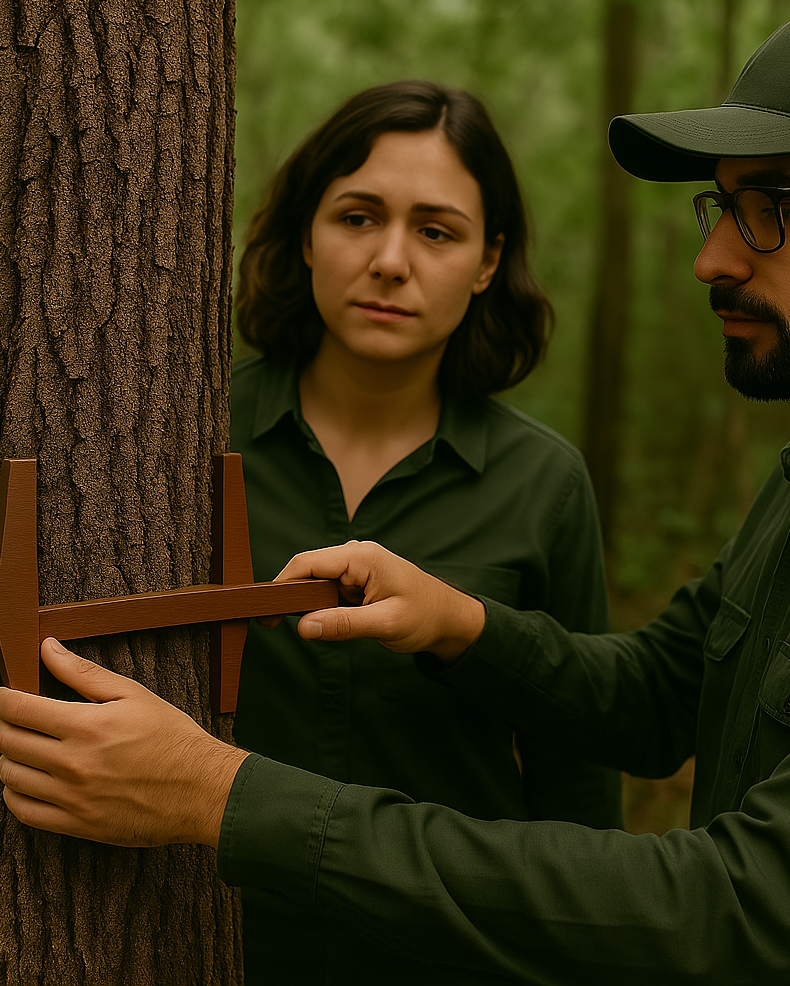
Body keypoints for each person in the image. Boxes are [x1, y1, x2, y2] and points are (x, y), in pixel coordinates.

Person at [0, 1, 790, 984]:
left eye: (774, 204)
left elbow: (739, 911)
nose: (714, 256)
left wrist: (224, 797)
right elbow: (663, 694)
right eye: (721, 206)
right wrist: (462, 625)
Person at [220, 79, 621, 983]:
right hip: (214, 951)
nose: (391, 260)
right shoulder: (186, 436)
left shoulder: (543, 483)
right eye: (358, 217)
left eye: (436, 231)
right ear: (305, 233)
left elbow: (576, 781)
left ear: (488, 262)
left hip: (455, 957)